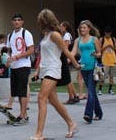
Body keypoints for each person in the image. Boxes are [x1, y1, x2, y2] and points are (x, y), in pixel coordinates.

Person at [32, 9, 80, 140]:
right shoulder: (46, 35)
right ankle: (71, 124)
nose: (39, 22)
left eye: (41, 20)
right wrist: (37, 71)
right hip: (45, 69)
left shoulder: (55, 35)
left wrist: (76, 65)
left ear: (46, 20)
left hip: (53, 69)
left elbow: (66, 51)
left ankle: (39, 134)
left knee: (41, 97)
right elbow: (43, 56)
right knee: (53, 101)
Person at [71, 20, 102, 123]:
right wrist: (68, 58)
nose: (82, 29)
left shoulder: (94, 39)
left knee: (90, 92)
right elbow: (73, 52)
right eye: (81, 28)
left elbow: (99, 53)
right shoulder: (77, 40)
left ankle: (88, 114)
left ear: (89, 28)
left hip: (93, 68)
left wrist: (95, 54)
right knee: (92, 90)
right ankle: (99, 113)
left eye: (84, 27)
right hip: (83, 68)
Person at [7, 12, 34, 125]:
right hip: (14, 66)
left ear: (22, 22)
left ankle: (22, 117)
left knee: (23, 91)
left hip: (24, 65)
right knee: (17, 92)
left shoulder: (26, 33)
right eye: (15, 20)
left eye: (19, 20)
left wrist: (17, 56)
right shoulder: (10, 35)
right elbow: (9, 50)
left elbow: (31, 50)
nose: (17, 22)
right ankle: (24, 116)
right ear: (12, 22)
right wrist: (8, 60)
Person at [60, 21, 78, 104]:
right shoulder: (65, 35)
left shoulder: (67, 35)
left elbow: (66, 47)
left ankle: (71, 97)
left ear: (65, 27)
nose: (60, 28)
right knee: (68, 79)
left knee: (67, 79)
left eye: (61, 26)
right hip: (67, 57)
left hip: (66, 58)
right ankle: (75, 96)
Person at [98, 26, 116, 95]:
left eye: (109, 34)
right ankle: (100, 90)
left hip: (113, 60)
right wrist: (106, 47)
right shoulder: (101, 39)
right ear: (104, 33)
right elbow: (99, 50)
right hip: (105, 60)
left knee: (111, 76)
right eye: (107, 34)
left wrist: (111, 46)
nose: (108, 35)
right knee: (102, 76)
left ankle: (110, 89)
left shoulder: (113, 39)